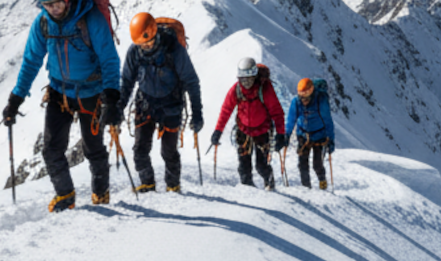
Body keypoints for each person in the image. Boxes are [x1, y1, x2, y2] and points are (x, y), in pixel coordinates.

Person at [0, 0, 121, 212]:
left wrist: (111, 97)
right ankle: (65, 196)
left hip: (91, 93)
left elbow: (109, 60)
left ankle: (101, 193)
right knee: (52, 149)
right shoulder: (43, 23)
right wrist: (16, 98)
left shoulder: (90, 18)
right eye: (48, 4)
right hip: (59, 92)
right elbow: (31, 61)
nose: (54, 9)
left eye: (57, 3)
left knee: (93, 148)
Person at [119, 13, 203, 193]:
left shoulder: (174, 49)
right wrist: (119, 108)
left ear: (155, 33)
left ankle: (173, 186)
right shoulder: (134, 52)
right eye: (142, 44)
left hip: (171, 105)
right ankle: (147, 184)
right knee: (140, 149)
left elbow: (191, 81)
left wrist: (197, 113)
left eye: (148, 42)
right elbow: (127, 81)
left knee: (169, 151)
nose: (146, 47)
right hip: (145, 103)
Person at [210, 57, 285, 190]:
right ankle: (248, 192)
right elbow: (226, 110)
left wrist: (280, 134)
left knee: (261, 166)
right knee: (243, 167)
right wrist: (218, 131)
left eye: (249, 79)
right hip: (243, 131)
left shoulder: (264, 89)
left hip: (262, 131)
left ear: (255, 77)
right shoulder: (236, 90)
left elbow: (276, 112)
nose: (246, 83)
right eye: (243, 79)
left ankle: (269, 182)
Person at [287, 78, 335, 189]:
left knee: (317, 164)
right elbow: (291, 120)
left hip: (319, 136)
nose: (304, 97)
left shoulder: (320, 100)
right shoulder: (296, 102)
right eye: (302, 94)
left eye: (306, 94)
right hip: (303, 136)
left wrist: (330, 139)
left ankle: (322, 180)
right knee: (302, 164)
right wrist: (286, 135)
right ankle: (306, 187)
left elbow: (327, 120)